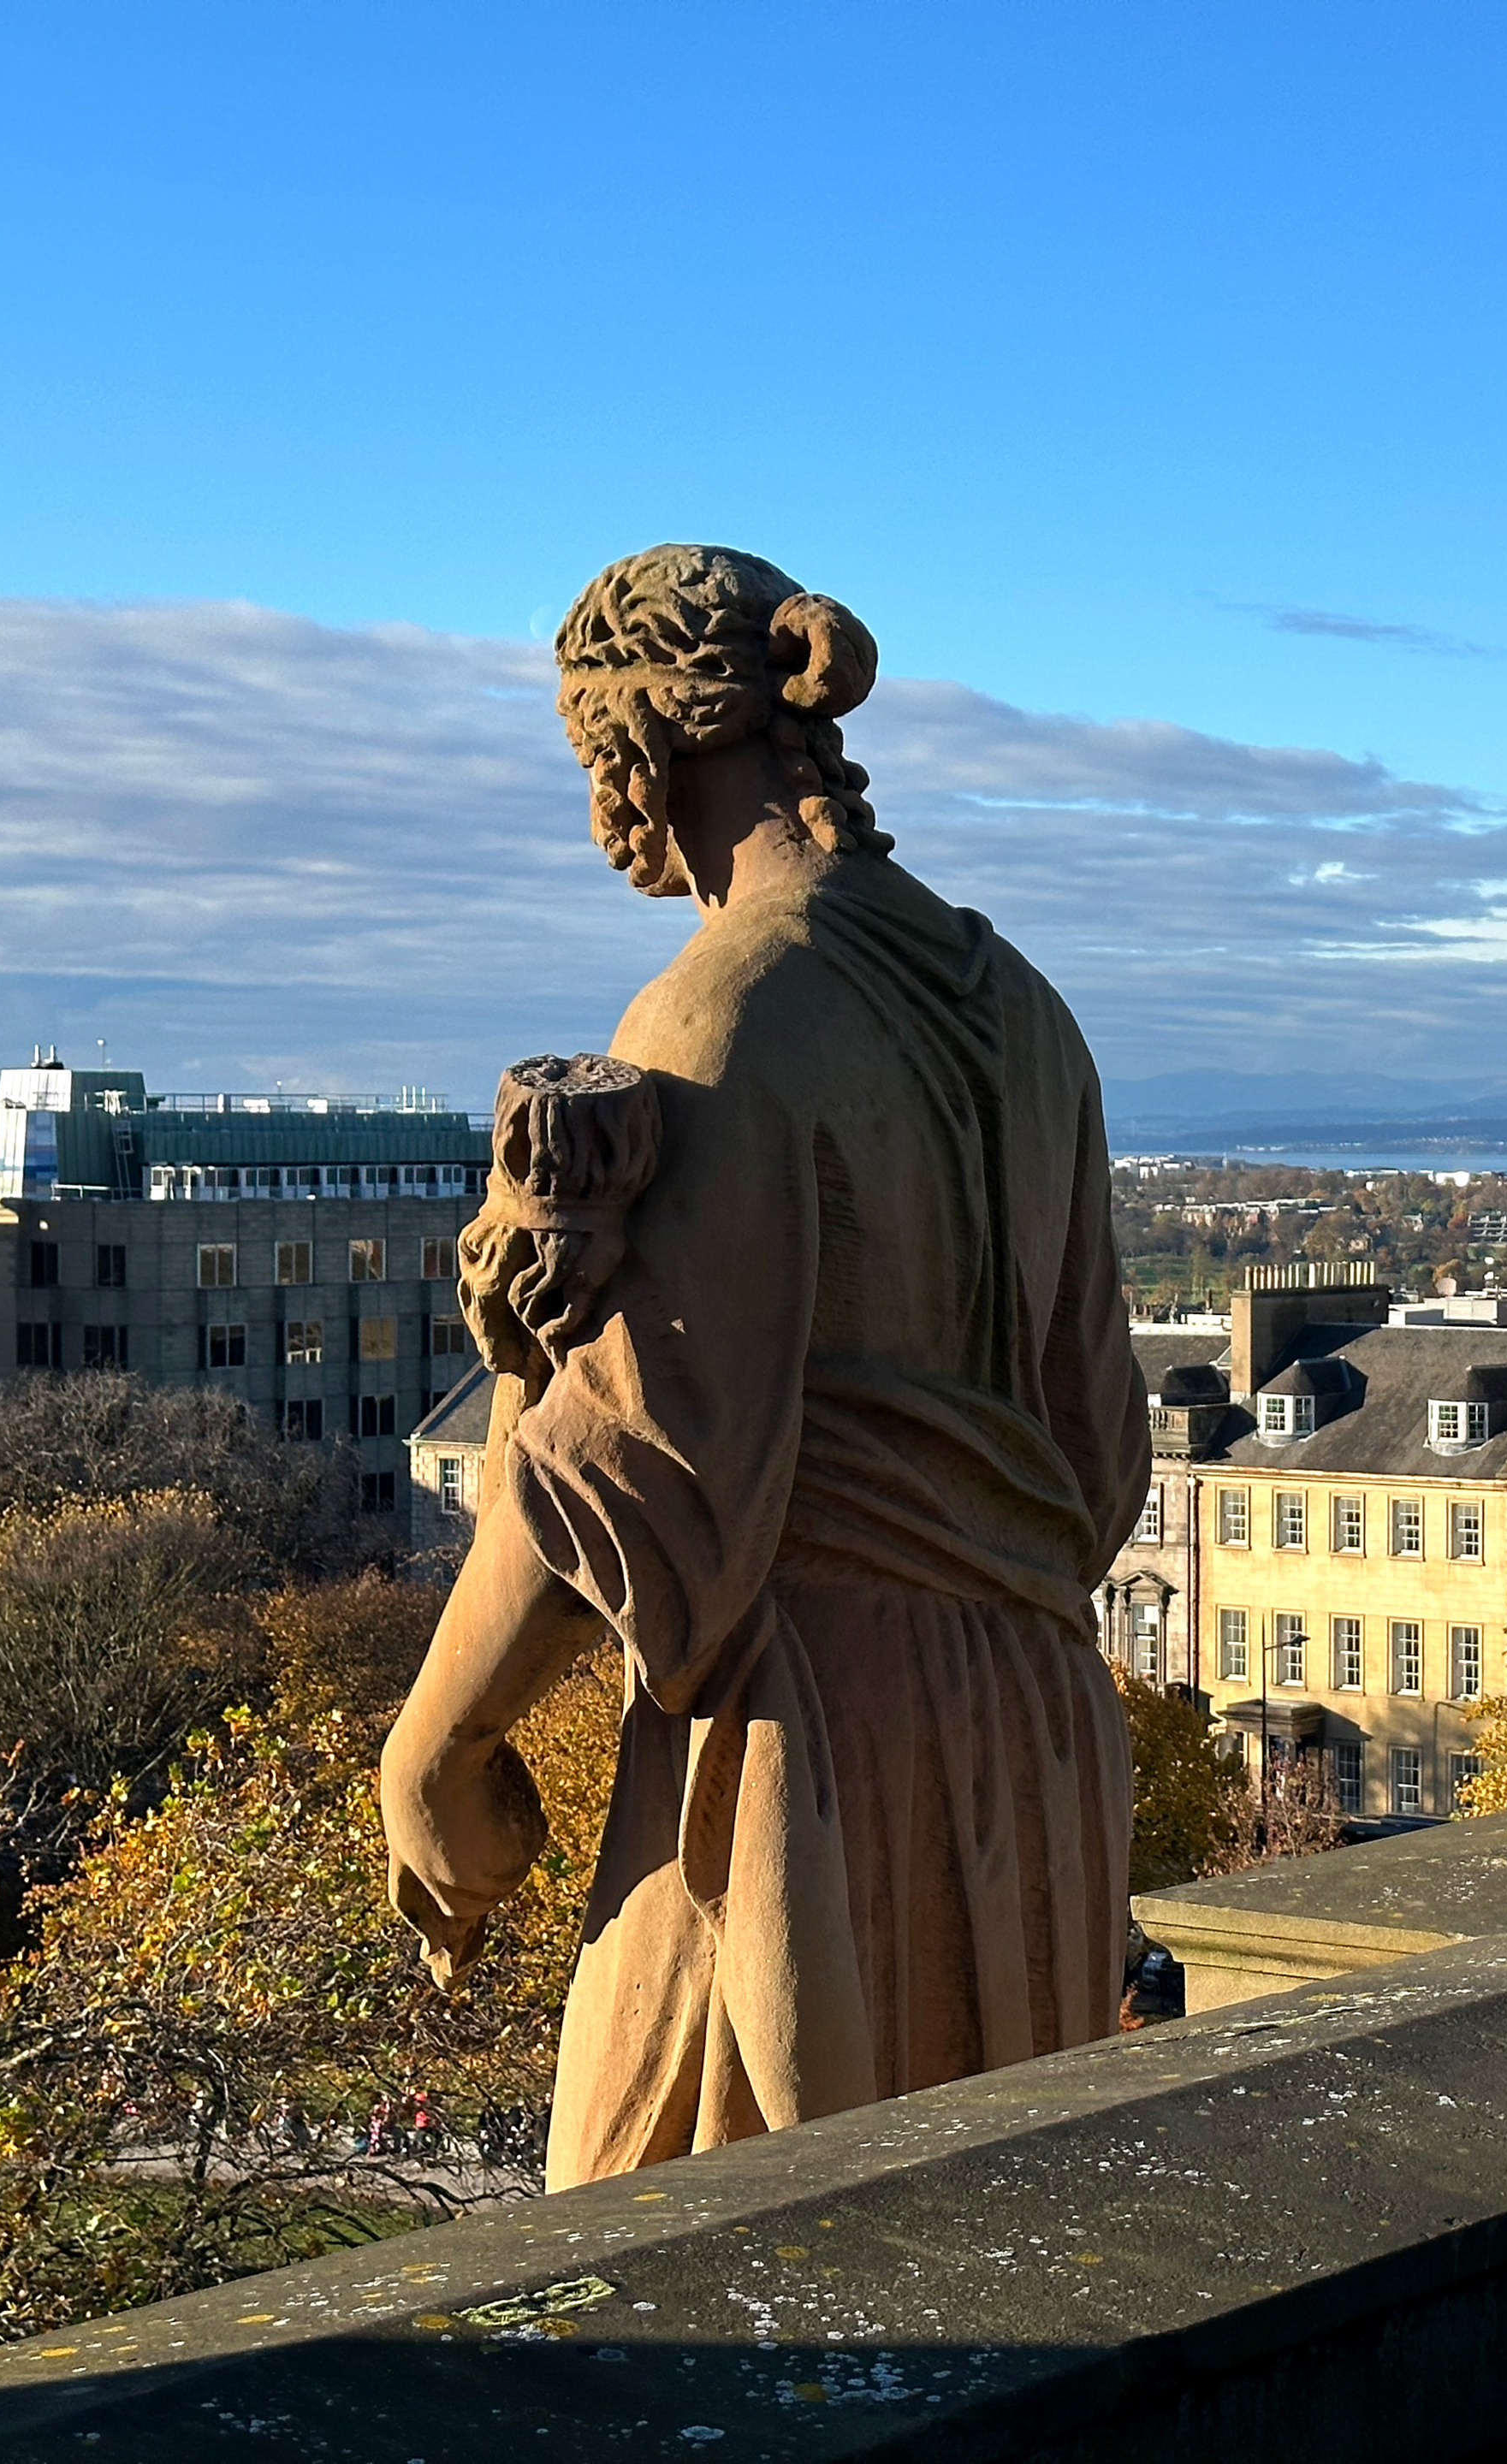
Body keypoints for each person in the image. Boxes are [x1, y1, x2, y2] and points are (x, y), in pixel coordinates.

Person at [379, 544, 1148, 2187]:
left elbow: (632, 1477)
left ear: (635, 746)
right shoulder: (1030, 1013)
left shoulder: (714, 1017)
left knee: (678, 2274)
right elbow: (1098, 1463)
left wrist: (431, 1750)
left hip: (815, 1753)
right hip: (1036, 1737)